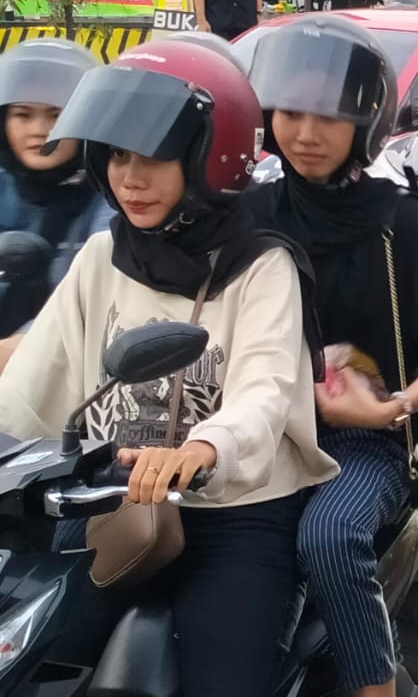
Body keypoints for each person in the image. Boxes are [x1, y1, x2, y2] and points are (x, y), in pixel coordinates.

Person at [0, 43, 337, 697]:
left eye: (153, 157)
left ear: (210, 159)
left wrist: (204, 447)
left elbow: (265, 390)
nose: (130, 178)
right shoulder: (101, 256)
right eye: (117, 155)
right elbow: (29, 388)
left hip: (233, 517)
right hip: (111, 505)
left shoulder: (261, 265)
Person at [246, 17, 418, 697]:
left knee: (328, 537)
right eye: (291, 112)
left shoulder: (396, 221)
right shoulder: (250, 217)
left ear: (364, 123)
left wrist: (391, 407)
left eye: (328, 117)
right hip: (257, 436)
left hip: (363, 447)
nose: (305, 133)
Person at [0, 40, 113, 359]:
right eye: (23, 115)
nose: (40, 130)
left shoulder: (111, 195)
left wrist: (18, 347)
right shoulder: (4, 185)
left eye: (56, 115)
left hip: (70, 362)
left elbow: (86, 299)